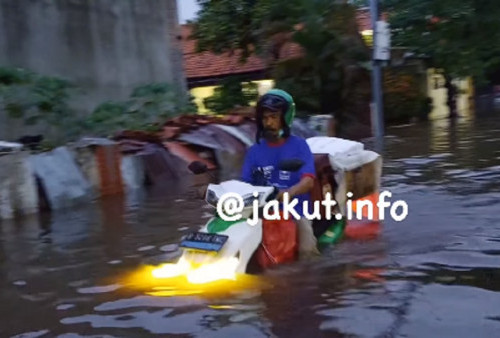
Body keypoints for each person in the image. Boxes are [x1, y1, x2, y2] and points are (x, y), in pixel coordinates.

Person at [241, 89, 320, 258]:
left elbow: (308, 181)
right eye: (265, 118)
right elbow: (244, 185)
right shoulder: (254, 151)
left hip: (295, 212)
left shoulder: (299, 146)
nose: (268, 123)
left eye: (274, 117)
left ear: (285, 119)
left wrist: (288, 193)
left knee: (306, 250)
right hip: (262, 211)